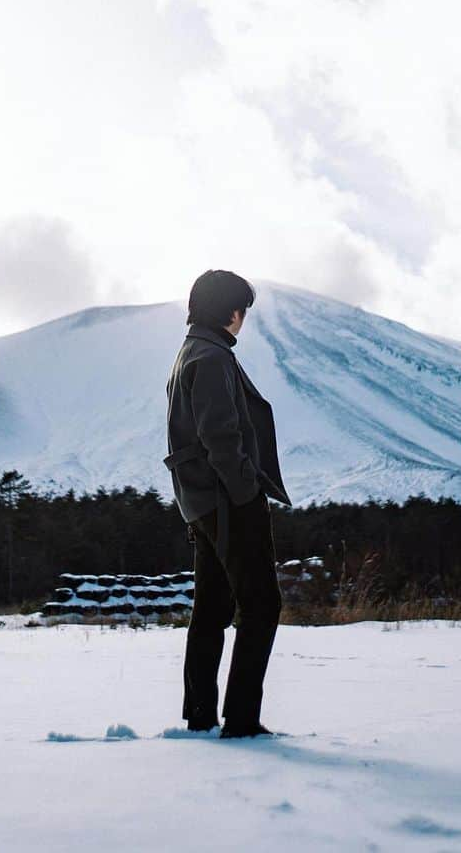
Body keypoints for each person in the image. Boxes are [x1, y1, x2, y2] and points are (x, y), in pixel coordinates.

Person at [163, 270, 292, 738]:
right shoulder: (213, 357)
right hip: (227, 501)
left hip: (201, 501)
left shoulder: (190, 352)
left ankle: (201, 715)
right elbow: (221, 437)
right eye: (243, 313)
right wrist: (246, 494)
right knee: (261, 604)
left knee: (212, 608)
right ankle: (241, 720)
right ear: (232, 313)